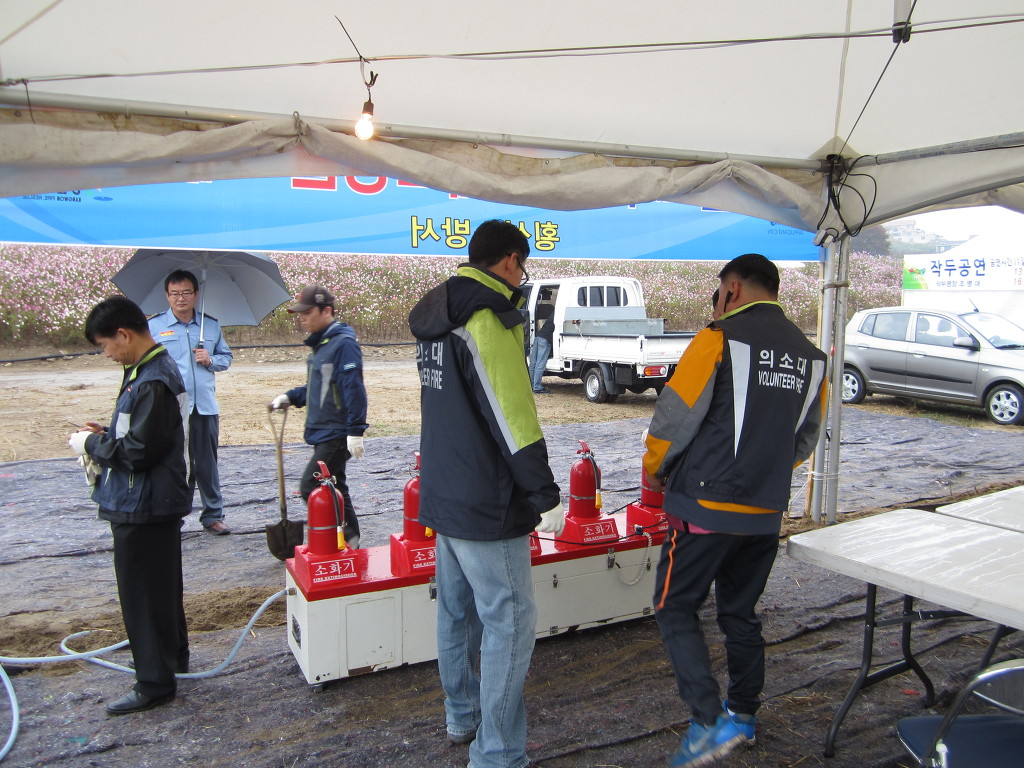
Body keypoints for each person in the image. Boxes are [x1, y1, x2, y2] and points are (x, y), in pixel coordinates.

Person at [643, 253, 827, 767]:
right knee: (739, 614)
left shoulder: (718, 338)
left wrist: (655, 468)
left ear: (733, 289)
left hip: (705, 508)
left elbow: (675, 415)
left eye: (720, 293)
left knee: (674, 606)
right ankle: (743, 715)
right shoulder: (813, 357)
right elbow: (804, 438)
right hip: (764, 512)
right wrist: (763, 475)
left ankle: (708, 723)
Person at [408, 219, 564, 768]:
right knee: (510, 622)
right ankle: (496, 753)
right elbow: (510, 414)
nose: (522, 277)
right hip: (485, 501)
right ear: (510, 261)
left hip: (444, 490)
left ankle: (462, 714)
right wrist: (544, 492)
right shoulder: (484, 315)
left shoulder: (438, 313)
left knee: (456, 612)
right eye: (523, 266)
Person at [68, 296, 191, 715]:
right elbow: (144, 433)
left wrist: (91, 445)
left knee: (143, 594)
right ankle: (172, 659)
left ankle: (154, 682)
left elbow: (139, 451)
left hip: (143, 502)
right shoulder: (145, 371)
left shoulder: (153, 379)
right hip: (152, 497)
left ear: (124, 334)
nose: (106, 354)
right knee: (161, 588)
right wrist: (107, 433)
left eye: (105, 345)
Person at [269, 285, 367, 549]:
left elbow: (353, 388)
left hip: (336, 431)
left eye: (307, 312)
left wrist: (355, 431)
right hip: (323, 429)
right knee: (337, 486)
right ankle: (351, 541)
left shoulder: (343, 344)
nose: (302, 318)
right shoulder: (322, 344)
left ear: (326, 311)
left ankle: (342, 538)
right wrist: (291, 397)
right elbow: (319, 386)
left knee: (310, 485)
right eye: (299, 313)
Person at [149, 269, 234, 535]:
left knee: (206, 463)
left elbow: (226, 358)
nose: (181, 298)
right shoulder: (155, 327)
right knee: (173, 463)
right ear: (167, 295)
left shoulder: (211, 325)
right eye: (175, 293)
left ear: (196, 294)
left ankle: (213, 515)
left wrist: (210, 360)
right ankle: (172, 515)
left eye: (186, 292)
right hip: (171, 408)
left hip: (205, 406)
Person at [529, 292, 554, 394]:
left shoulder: (553, 313)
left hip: (538, 336)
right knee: (540, 364)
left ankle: (531, 385)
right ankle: (537, 387)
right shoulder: (559, 313)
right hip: (545, 339)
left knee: (533, 364)